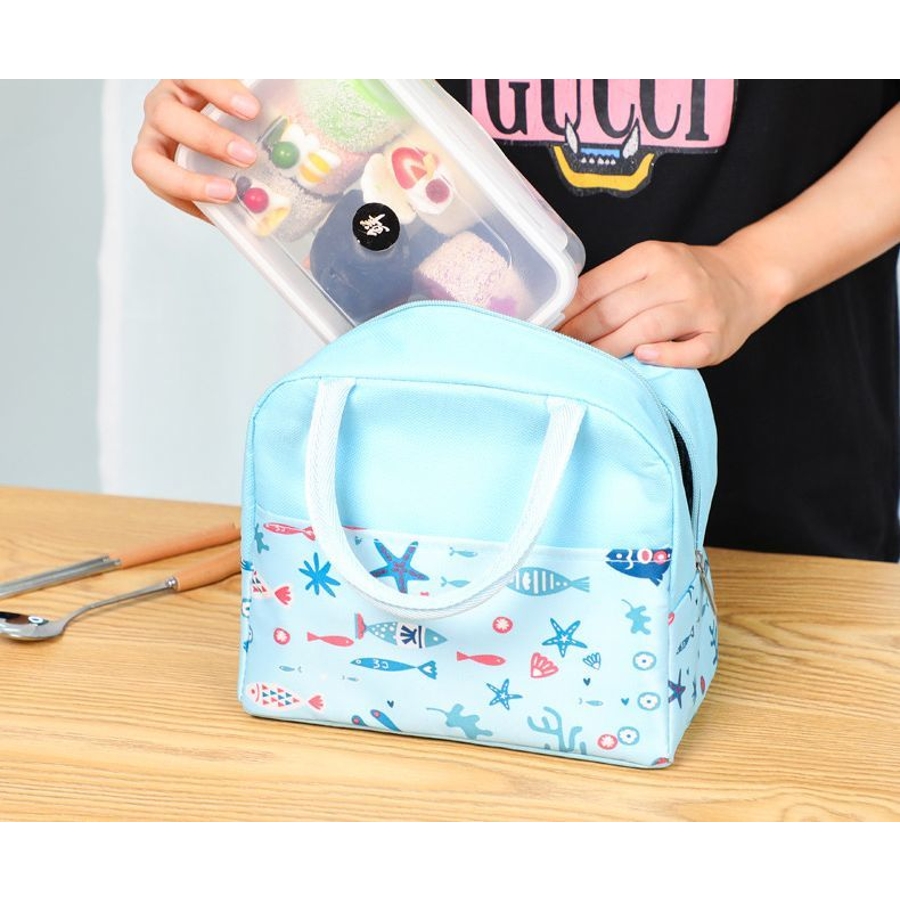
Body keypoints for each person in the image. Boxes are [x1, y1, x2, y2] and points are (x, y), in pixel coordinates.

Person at [133, 79, 900, 562]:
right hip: (454, 503)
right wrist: (250, 167)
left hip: (785, 498)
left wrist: (755, 269)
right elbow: (350, 123)